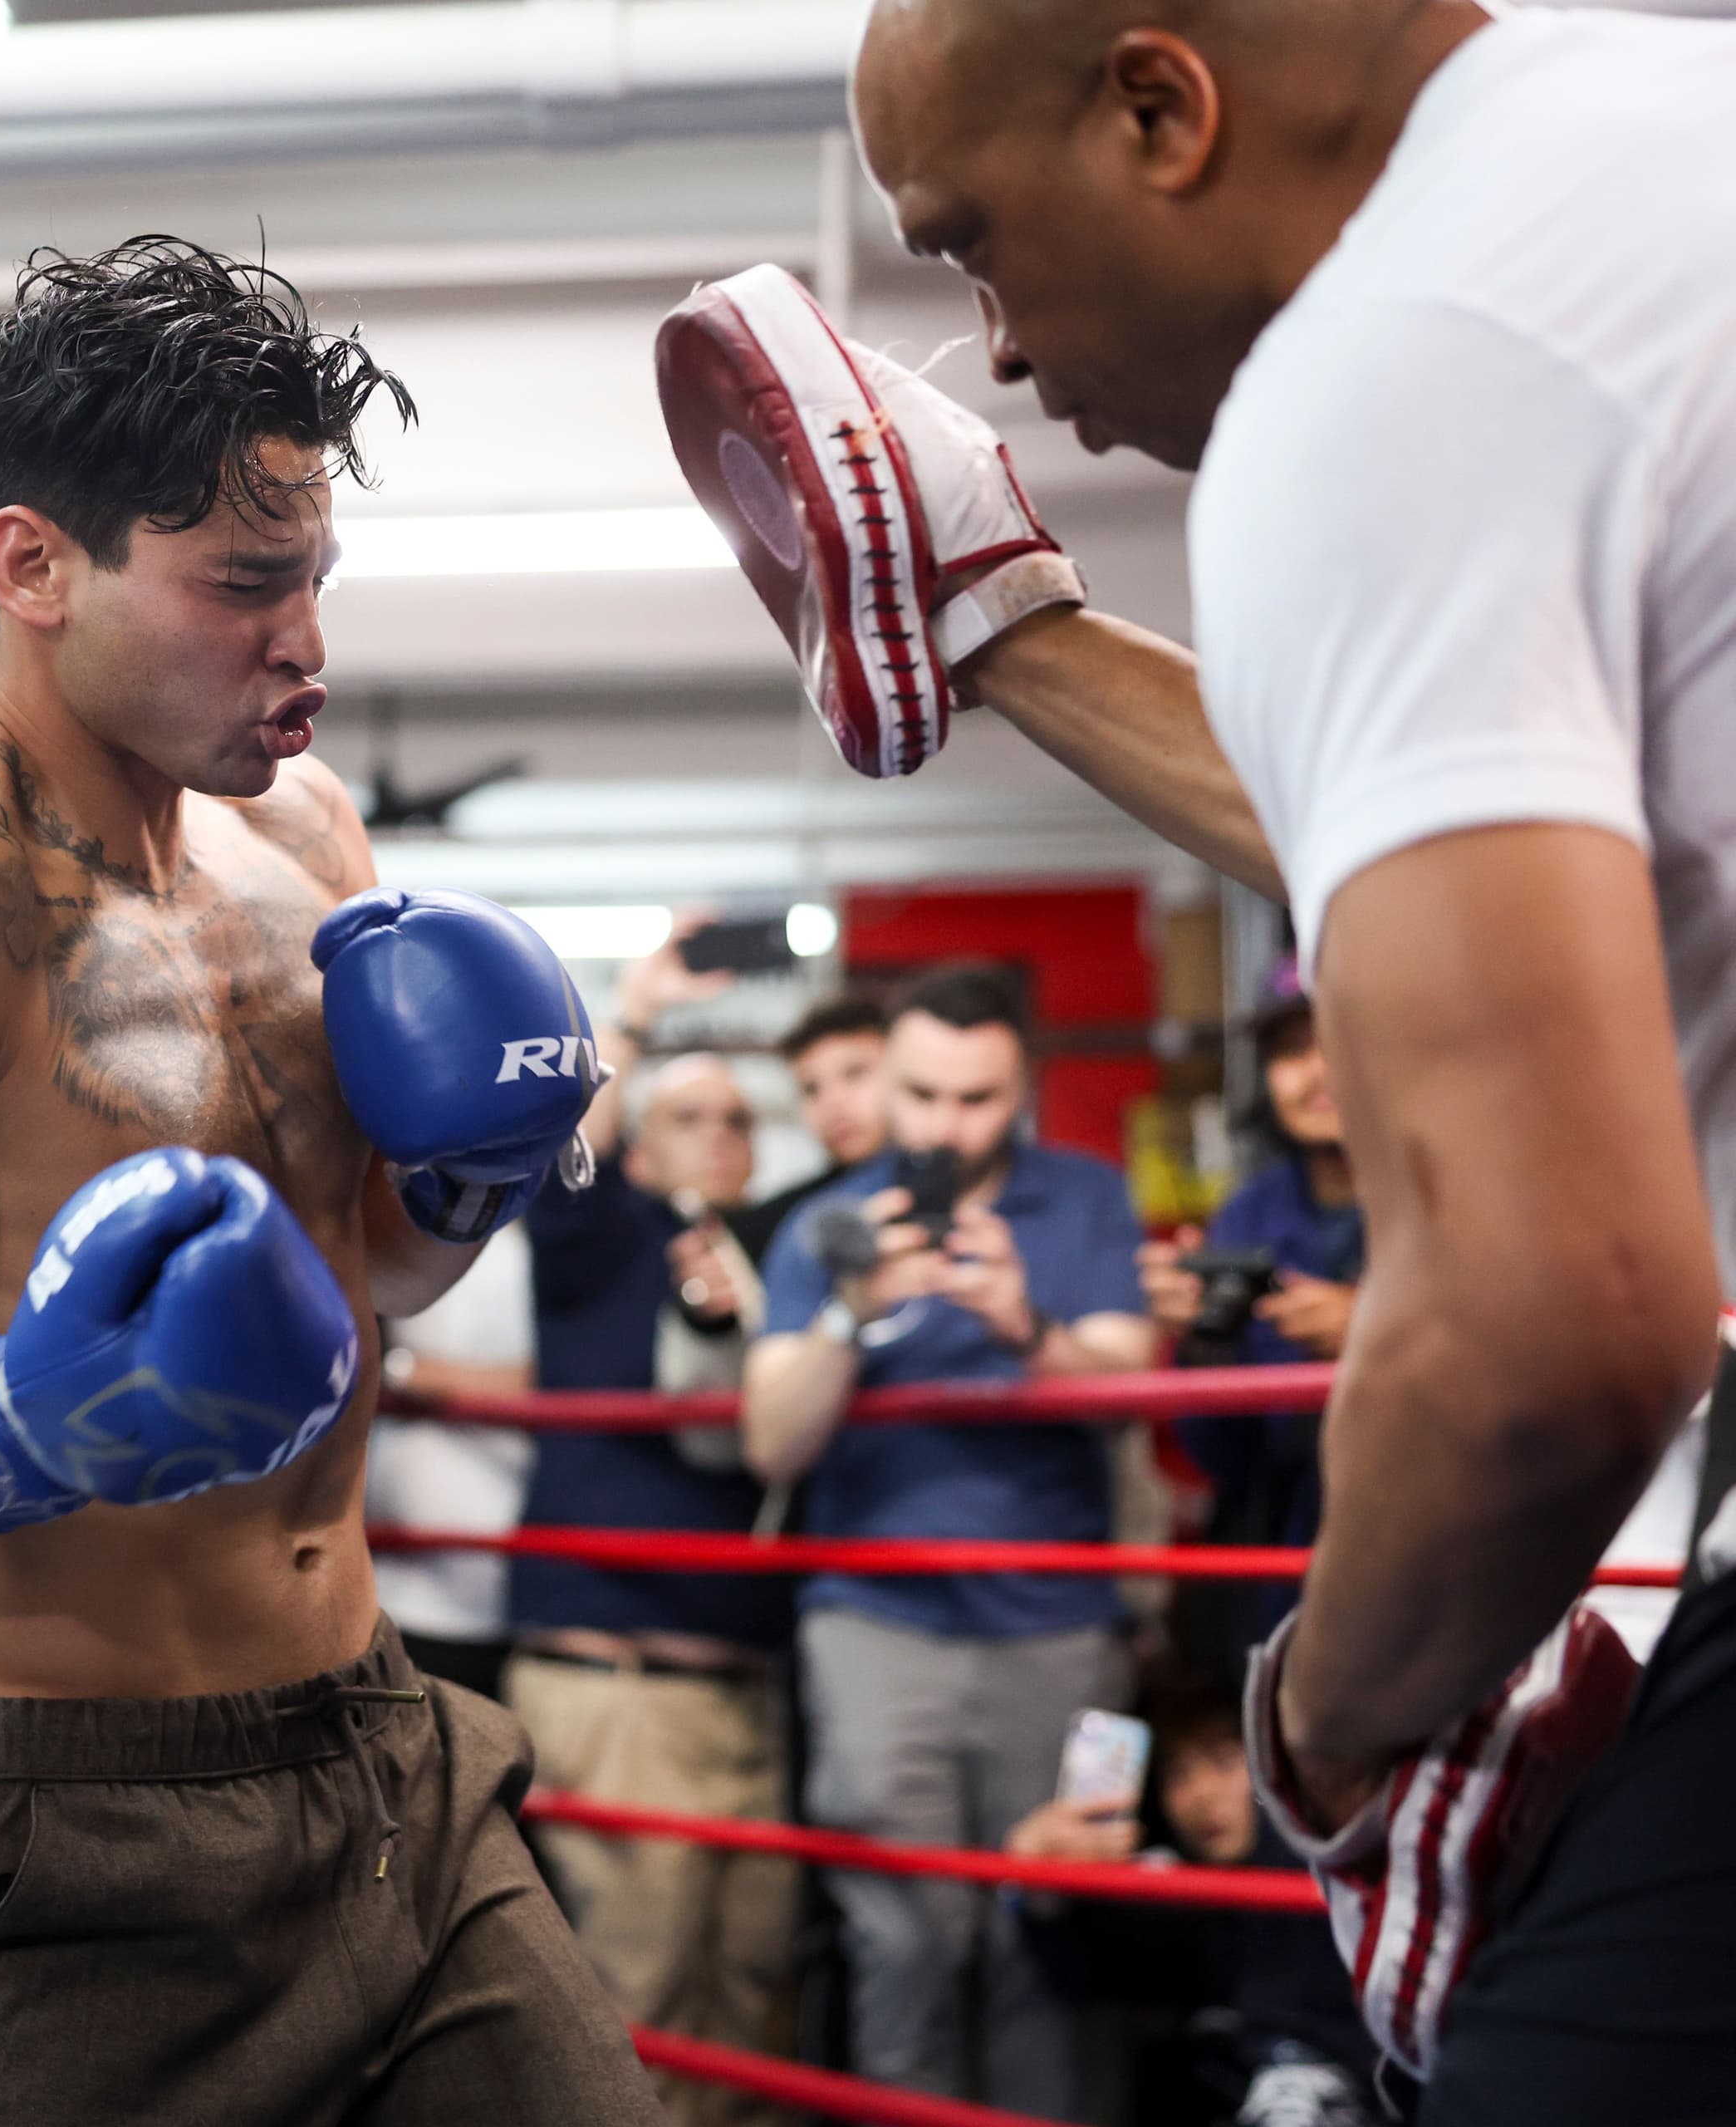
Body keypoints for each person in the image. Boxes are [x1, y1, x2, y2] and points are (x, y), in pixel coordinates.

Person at [726, 0, 1736, 2105]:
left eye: (972, 242)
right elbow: (1510, 827)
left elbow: (1552, 1329)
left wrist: (1319, 1717)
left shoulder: (1384, 364)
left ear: (1157, 106)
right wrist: (1012, 626)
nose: (989, 348)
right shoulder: (1658, 134)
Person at [0, 237, 660, 2125]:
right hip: (77, 1825)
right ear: (30, 564)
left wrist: (459, 1185)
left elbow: (367, 1282)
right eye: (243, 586)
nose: (306, 647)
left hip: (388, 1755)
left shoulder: (309, 828)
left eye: (314, 583)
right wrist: (24, 1419)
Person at [739, 961, 1155, 2113]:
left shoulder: (1085, 1200)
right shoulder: (830, 1222)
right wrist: (848, 1315)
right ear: (893, 1078)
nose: (945, 1126)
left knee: (1052, 1944)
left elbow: (1132, 1398)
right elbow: (772, 1441)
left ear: (1022, 1089)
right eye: (922, 1096)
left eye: (978, 1101)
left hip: (1062, 1627)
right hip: (879, 1630)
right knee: (908, 1946)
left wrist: (1029, 1328)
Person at [512, 1053, 797, 2125]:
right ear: (636, 1135)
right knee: (642, 1996)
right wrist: (621, 1022)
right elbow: (555, 1154)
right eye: (688, 1115)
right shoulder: (604, 1232)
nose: (720, 1134)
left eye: (737, 1116)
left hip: (744, 1681)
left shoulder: (769, 1252)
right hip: (620, 1680)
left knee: (746, 1995)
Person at [1002, 1666, 1375, 2127]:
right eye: (1178, 1775)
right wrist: (1034, 1884)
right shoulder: (1177, 1889)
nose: (1201, 1796)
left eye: (1222, 1761)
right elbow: (1086, 1976)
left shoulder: (1316, 1871)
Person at [1138, 974, 1361, 1668]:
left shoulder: (1457, 1197)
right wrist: (1202, 1335)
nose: (1315, 1072)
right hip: (1281, 1566)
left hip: (1428, 1556)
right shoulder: (1249, 1213)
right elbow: (1220, 1458)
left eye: (1340, 1042)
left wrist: (1375, 1335)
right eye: (1292, 1051)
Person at [365, 1222, 539, 1700]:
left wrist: (407, 1371)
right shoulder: (403, 1222)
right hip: (388, 1578)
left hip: (497, 1587)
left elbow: (548, 1378)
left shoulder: (543, 1244)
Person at [742, 995, 893, 1261]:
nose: (832, 1103)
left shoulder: (972, 1197)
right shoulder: (770, 1229)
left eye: (855, 1073)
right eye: (811, 1089)